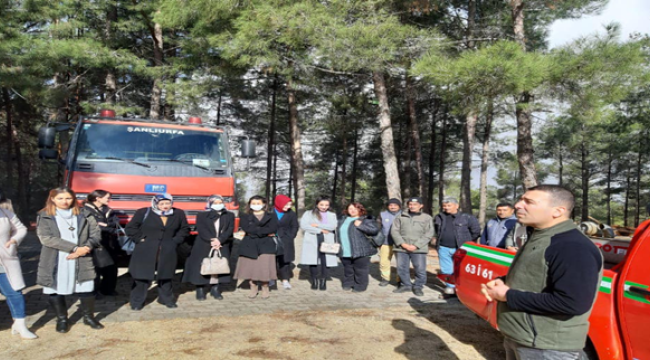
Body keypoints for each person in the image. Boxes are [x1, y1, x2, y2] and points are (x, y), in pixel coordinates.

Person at [482, 185, 603, 360]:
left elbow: (572, 303)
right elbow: (536, 277)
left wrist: (508, 295)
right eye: (521, 199)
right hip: (523, 340)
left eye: (528, 202)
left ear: (557, 211)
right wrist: (503, 281)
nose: (517, 205)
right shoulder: (540, 236)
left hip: (547, 348)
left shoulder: (572, 246)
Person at [36, 187, 103, 333]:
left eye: (68, 198)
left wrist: (85, 248)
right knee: (55, 288)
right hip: (57, 257)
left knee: (86, 287)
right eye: (60, 198)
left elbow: (96, 234)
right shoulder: (45, 215)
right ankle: (62, 319)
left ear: (73, 198)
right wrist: (74, 248)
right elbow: (46, 238)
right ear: (52, 199)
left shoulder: (85, 214)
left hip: (82, 256)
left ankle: (88, 316)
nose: (64, 202)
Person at [126, 193, 189, 310]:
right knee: (142, 276)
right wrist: (140, 239)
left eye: (168, 203)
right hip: (145, 249)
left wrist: (175, 241)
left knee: (166, 275)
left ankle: (166, 299)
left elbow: (184, 229)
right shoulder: (143, 212)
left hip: (167, 249)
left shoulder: (178, 213)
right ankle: (137, 301)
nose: (165, 206)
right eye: (162, 203)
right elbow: (130, 228)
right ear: (155, 203)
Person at [0, 190, 37, 339]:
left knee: (15, 292)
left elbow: (21, 228)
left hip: (5, 261)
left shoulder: (5, 213)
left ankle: (20, 325)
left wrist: (14, 241)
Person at [183, 195, 234, 300]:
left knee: (218, 266)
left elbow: (230, 229)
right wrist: (212, 240)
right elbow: (201, 230)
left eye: (220, 202)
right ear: (210, 203)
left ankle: (215, 289)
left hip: (222, 244)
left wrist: (220, 240)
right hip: (204, 244)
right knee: (202, 266)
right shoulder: (202, 215)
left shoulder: (229, 215)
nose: (218, 205)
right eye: (215, 203)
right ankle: (200, 289)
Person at [433, 197, 480, 295]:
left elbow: (476, 231)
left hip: (460, 249)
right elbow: (436, 231)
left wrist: (467, 243)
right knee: (446, 269)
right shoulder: (439, 217)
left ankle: (462, 290)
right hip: (443, 248)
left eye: (449, 205)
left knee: (461, 270)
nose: (446, 208)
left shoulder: (467, 217)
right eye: (444, 206)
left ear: (457, 206)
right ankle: (451, 289)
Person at [234, 196, 278, 299]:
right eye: (253, 203)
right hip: (249, 243)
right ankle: (253, 287)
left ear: (264, 204)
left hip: (266, 244)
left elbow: (273, 228)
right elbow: (246, 228)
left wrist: (256, 231)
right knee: (251, 266)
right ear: (249, 204)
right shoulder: (244, 216)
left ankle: (265, 287)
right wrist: (262, 231)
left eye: (258, 203)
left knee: (264, 265)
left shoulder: (271, 215)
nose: (256, 205)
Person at [391, 197, 434, 297]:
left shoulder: (426, 218)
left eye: (415, 204)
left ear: (421, 206)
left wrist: (416, 245)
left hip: (419, 248)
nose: (412, 206)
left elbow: (429, 233)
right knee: (402, 268)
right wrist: (403, 244)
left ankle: (418, 286)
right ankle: (405, 285)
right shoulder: (400, 216)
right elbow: (394, 231)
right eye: (410, 204)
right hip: (402, 248)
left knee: (420, 269)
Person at [82, 189, 120, 297]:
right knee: (95, 268)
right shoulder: (85, 210)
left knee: (111, 267)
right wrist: (106, 227)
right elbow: (91, 227)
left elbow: (115, 224)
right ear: (98, 198)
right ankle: (94, 291)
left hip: (109, 243)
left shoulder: (108, 210)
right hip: (94, 244)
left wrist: (105, 226)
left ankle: (108, 289)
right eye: (107, 198)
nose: (109, 200)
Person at [336, 202, 380, 293]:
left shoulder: (366, 219)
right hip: (344, 250)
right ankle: (348, 283)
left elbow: (374, 230)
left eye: (355, 208)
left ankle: (360, 286)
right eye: (350, 208)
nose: (352, 210)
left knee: (361, 270)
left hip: (361, 250)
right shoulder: (342, 220)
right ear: (347, 210)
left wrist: (360, 225)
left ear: (360, 209)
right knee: (348, 269)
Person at [300, 196, 338, 291]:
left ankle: (323, 281)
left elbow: (333, 226)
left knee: (326, 261)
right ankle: (314, 280)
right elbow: (304, 226)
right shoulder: (308, 214)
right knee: (313, 261)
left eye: (326, 205)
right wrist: (320, 230)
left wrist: (318, 225)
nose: (324, 207)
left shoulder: (332, 215)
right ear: (317, 204)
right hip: (312, 239)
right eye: (321, 204)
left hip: (327, 239)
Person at [272, 194, 299, 290]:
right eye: (285, 205)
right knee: (271, 260)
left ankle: (285, 280)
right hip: (272, 239)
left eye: (289, 205)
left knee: (285, 261)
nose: (288, 207)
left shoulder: (291, 213)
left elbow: (295, 226)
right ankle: (272, 278)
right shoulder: (270, 212)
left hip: (286, 240)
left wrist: (291, 236)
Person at [378, 198, 402, 287]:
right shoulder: (382, 214)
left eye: (395, 205)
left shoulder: (405, 215)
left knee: (401, 262)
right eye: (391, 205)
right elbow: (378, 227)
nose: (393, 207)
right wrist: (378, 241)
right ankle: (385, 279)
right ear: (388, 206)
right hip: (385, 242)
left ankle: (400, 280)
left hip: (400, 244)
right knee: (384, 262)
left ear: (399, 206)